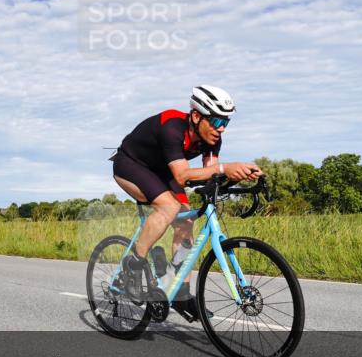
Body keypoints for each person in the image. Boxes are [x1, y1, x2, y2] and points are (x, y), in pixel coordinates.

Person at [111, 85, 262, 321]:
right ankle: (133, 266)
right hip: (130, 164)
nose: (220, 129)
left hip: (163, 171)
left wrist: (240, 177)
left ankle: (180, 293)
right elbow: (183, 176)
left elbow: (211, 172)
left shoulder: (213, 139)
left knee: (187, 221)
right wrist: (226, 168)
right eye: (215, 121)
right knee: (168, 207)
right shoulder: (172, 127)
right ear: (195, 115)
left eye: (225, 123)